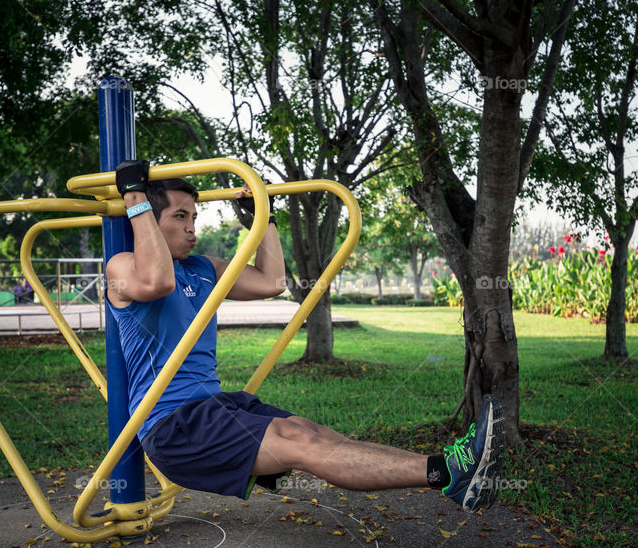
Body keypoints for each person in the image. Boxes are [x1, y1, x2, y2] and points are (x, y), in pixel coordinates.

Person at [104, 161, 505, 510]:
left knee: (316, 433)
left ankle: (450, 473)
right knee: (299, 442)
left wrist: (261, 220)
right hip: (173, 427)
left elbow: (271, 280)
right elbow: (156, 282)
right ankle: (451, 469)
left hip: (217, 407)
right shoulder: (122, 267)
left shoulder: (202, 269)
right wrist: (135, 196)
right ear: (149, 221)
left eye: (194, 217)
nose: (192, 228)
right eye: (180, 217)